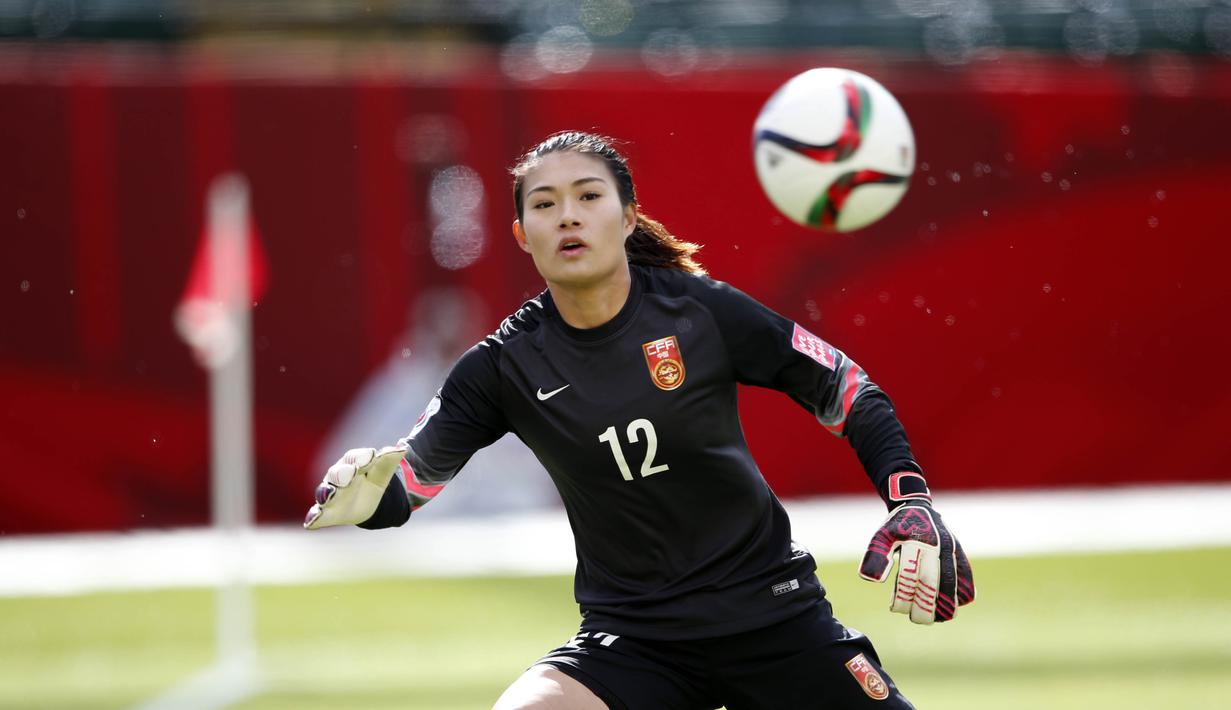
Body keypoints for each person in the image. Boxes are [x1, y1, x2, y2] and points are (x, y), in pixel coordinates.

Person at [304, 131, 975, 709]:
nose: (567, 217)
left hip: (771, 619)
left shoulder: (699, 311)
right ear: (521, 234)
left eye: (588, 197)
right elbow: (410, 482)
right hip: (633, 641)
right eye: (544, 205)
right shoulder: (502, 366)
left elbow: (847, 390)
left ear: (627, 218)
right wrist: (367, 496)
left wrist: (908, 501)